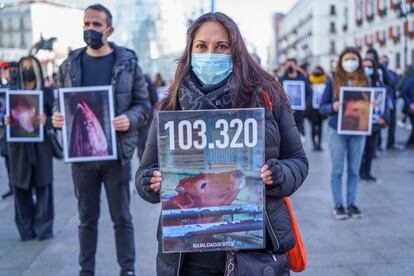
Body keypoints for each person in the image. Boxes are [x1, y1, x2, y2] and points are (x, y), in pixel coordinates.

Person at [135, 12, 308, 276]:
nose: (210, 54)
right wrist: (151, 182)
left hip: (255, 252)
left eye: (221, 46)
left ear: (235, 51)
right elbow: (143, 175)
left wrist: (279, 175)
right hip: (189, 259)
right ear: (190, 52)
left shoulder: (267, 94)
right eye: (202, 46)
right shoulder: (170, 106)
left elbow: (297, 160)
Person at [52, 4, 151, 276]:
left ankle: (127, 270)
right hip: (81, 157)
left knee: (122, 218)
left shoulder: (127, 63)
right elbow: (59, 103)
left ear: (109, 29)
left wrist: (129, 118)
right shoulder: (70, 64)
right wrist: (57, 116)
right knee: (87, 220)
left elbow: (144, 105)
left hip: (116, 155)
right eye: (86, 24)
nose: (90, 30)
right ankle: (87, 271)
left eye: (96, 25)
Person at [4, 56, 55, 240]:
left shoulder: (47, 93)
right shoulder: (11, 93)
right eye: (23, 67)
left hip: (41, 147)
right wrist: (6, 120)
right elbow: (4, 118)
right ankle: (26, 229)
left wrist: (46, 120)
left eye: (29, 66)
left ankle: (44, 228)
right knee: (20, 187)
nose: (26, 69)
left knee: (43, 187)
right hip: (18, 147)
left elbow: (57, 119)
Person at [320, 47, 368, 220]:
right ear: (341, 61)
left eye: (353, 58)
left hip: (358, 129)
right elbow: (321, 108)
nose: (350, 62)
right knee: (338, 169)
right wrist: (332, 107)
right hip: (337, 130)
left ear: (359, 61)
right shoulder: (332, 81)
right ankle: (338, 204)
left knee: (354, 169)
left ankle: (351, 203)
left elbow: (373, 101)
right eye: (347, 59)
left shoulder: (364, 80)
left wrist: (373, 107)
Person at [360, 58, 388, 181]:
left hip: (375, 123)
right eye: (365, 66)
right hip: (360, 123)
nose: (367, 69)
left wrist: (383, 117)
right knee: (361, 151)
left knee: (371, 150)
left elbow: (385, 102)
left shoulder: (378, 83)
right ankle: (360, 173)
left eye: (370, 66)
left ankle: (368, 172)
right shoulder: (358, 83)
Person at [278, 58, 312, 138]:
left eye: (291, 65)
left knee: (299, 130)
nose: (289, 67)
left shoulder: (302, 78)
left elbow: (309, 92)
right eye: (288, 65)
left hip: (300, 111)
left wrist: (306, 104)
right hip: (287, 110)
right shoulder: (282, 78)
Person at [379, 55, 399, 149]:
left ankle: (390, 143)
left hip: (391, 100)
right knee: (380, 122)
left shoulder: (392, 73)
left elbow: (394, 84)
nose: (385, 63)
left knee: (392, 122)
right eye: (383, 61)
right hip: (381, 100)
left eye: (386, 61)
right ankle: (377, 145)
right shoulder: (378, 73)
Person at [308, 66, 327, 151]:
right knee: (312, 127)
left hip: (320, 108)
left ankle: (319, 144)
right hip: (311, 109)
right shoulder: (310, 81)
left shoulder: (325, 81)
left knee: (320, 127)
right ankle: (314, 144)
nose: (317, 72)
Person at [401, 73, 414, 147]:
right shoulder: (410, 81)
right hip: (411, 108)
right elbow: (404, 93)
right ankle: (409, 143)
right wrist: (410, 104)